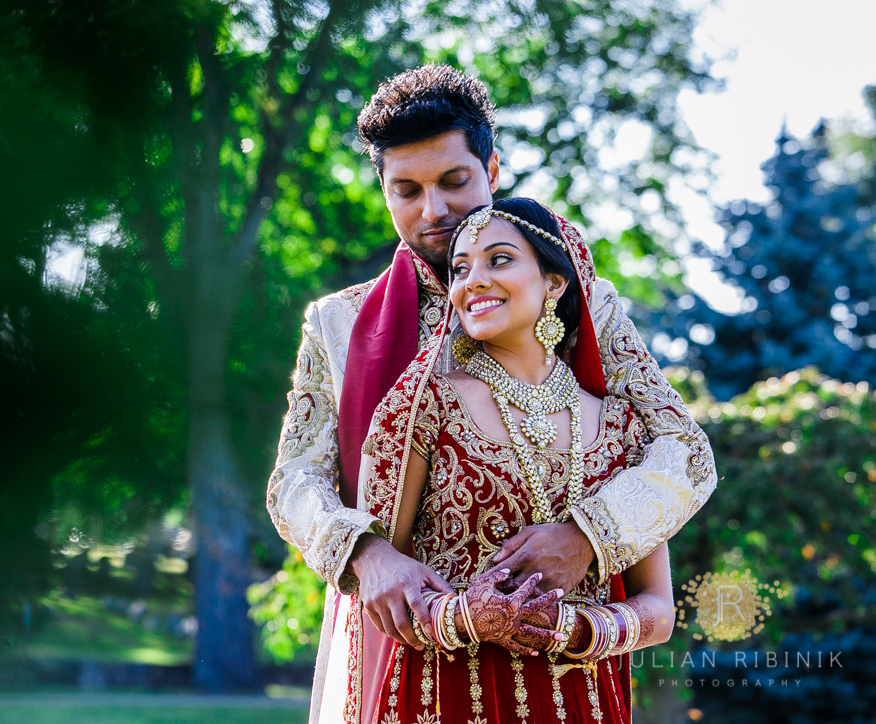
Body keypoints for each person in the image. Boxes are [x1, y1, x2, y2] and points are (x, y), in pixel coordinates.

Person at [265, 65, 716, 723]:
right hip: (405, 653)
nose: (434, 211)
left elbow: (682, 449)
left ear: (493, 169)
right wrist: (369, 555)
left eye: (454, 182)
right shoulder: (340, 324)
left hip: (564, 661)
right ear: (384, 192)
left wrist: (588, 535)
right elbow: (295, 482)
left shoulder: (580, 298)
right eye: (406, 191)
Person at [353, 198, 676, 723]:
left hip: (579, 695)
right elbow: (381, 590)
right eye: (461, 268)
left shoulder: (622, 427)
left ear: (554, 283)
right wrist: (467, 618)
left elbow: (659, 610)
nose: (472, 281)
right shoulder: (421, 404)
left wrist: (581, 630)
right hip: (446, 690)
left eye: (499, 259)